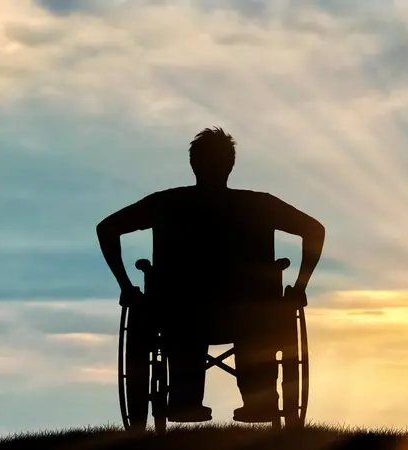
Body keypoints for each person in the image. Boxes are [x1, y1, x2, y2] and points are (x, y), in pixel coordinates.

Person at [96, 127, 325, 423]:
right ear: (229, 166)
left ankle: (184, 398)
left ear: (194, 164)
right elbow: (315, 230)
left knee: (186, 315)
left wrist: (126, 286)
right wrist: (299, 285)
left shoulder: (166, 204)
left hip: (178, 312)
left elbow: (107, 228)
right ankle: (260, 399)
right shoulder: (260, 205)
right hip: (251, 313)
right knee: (253, 317)